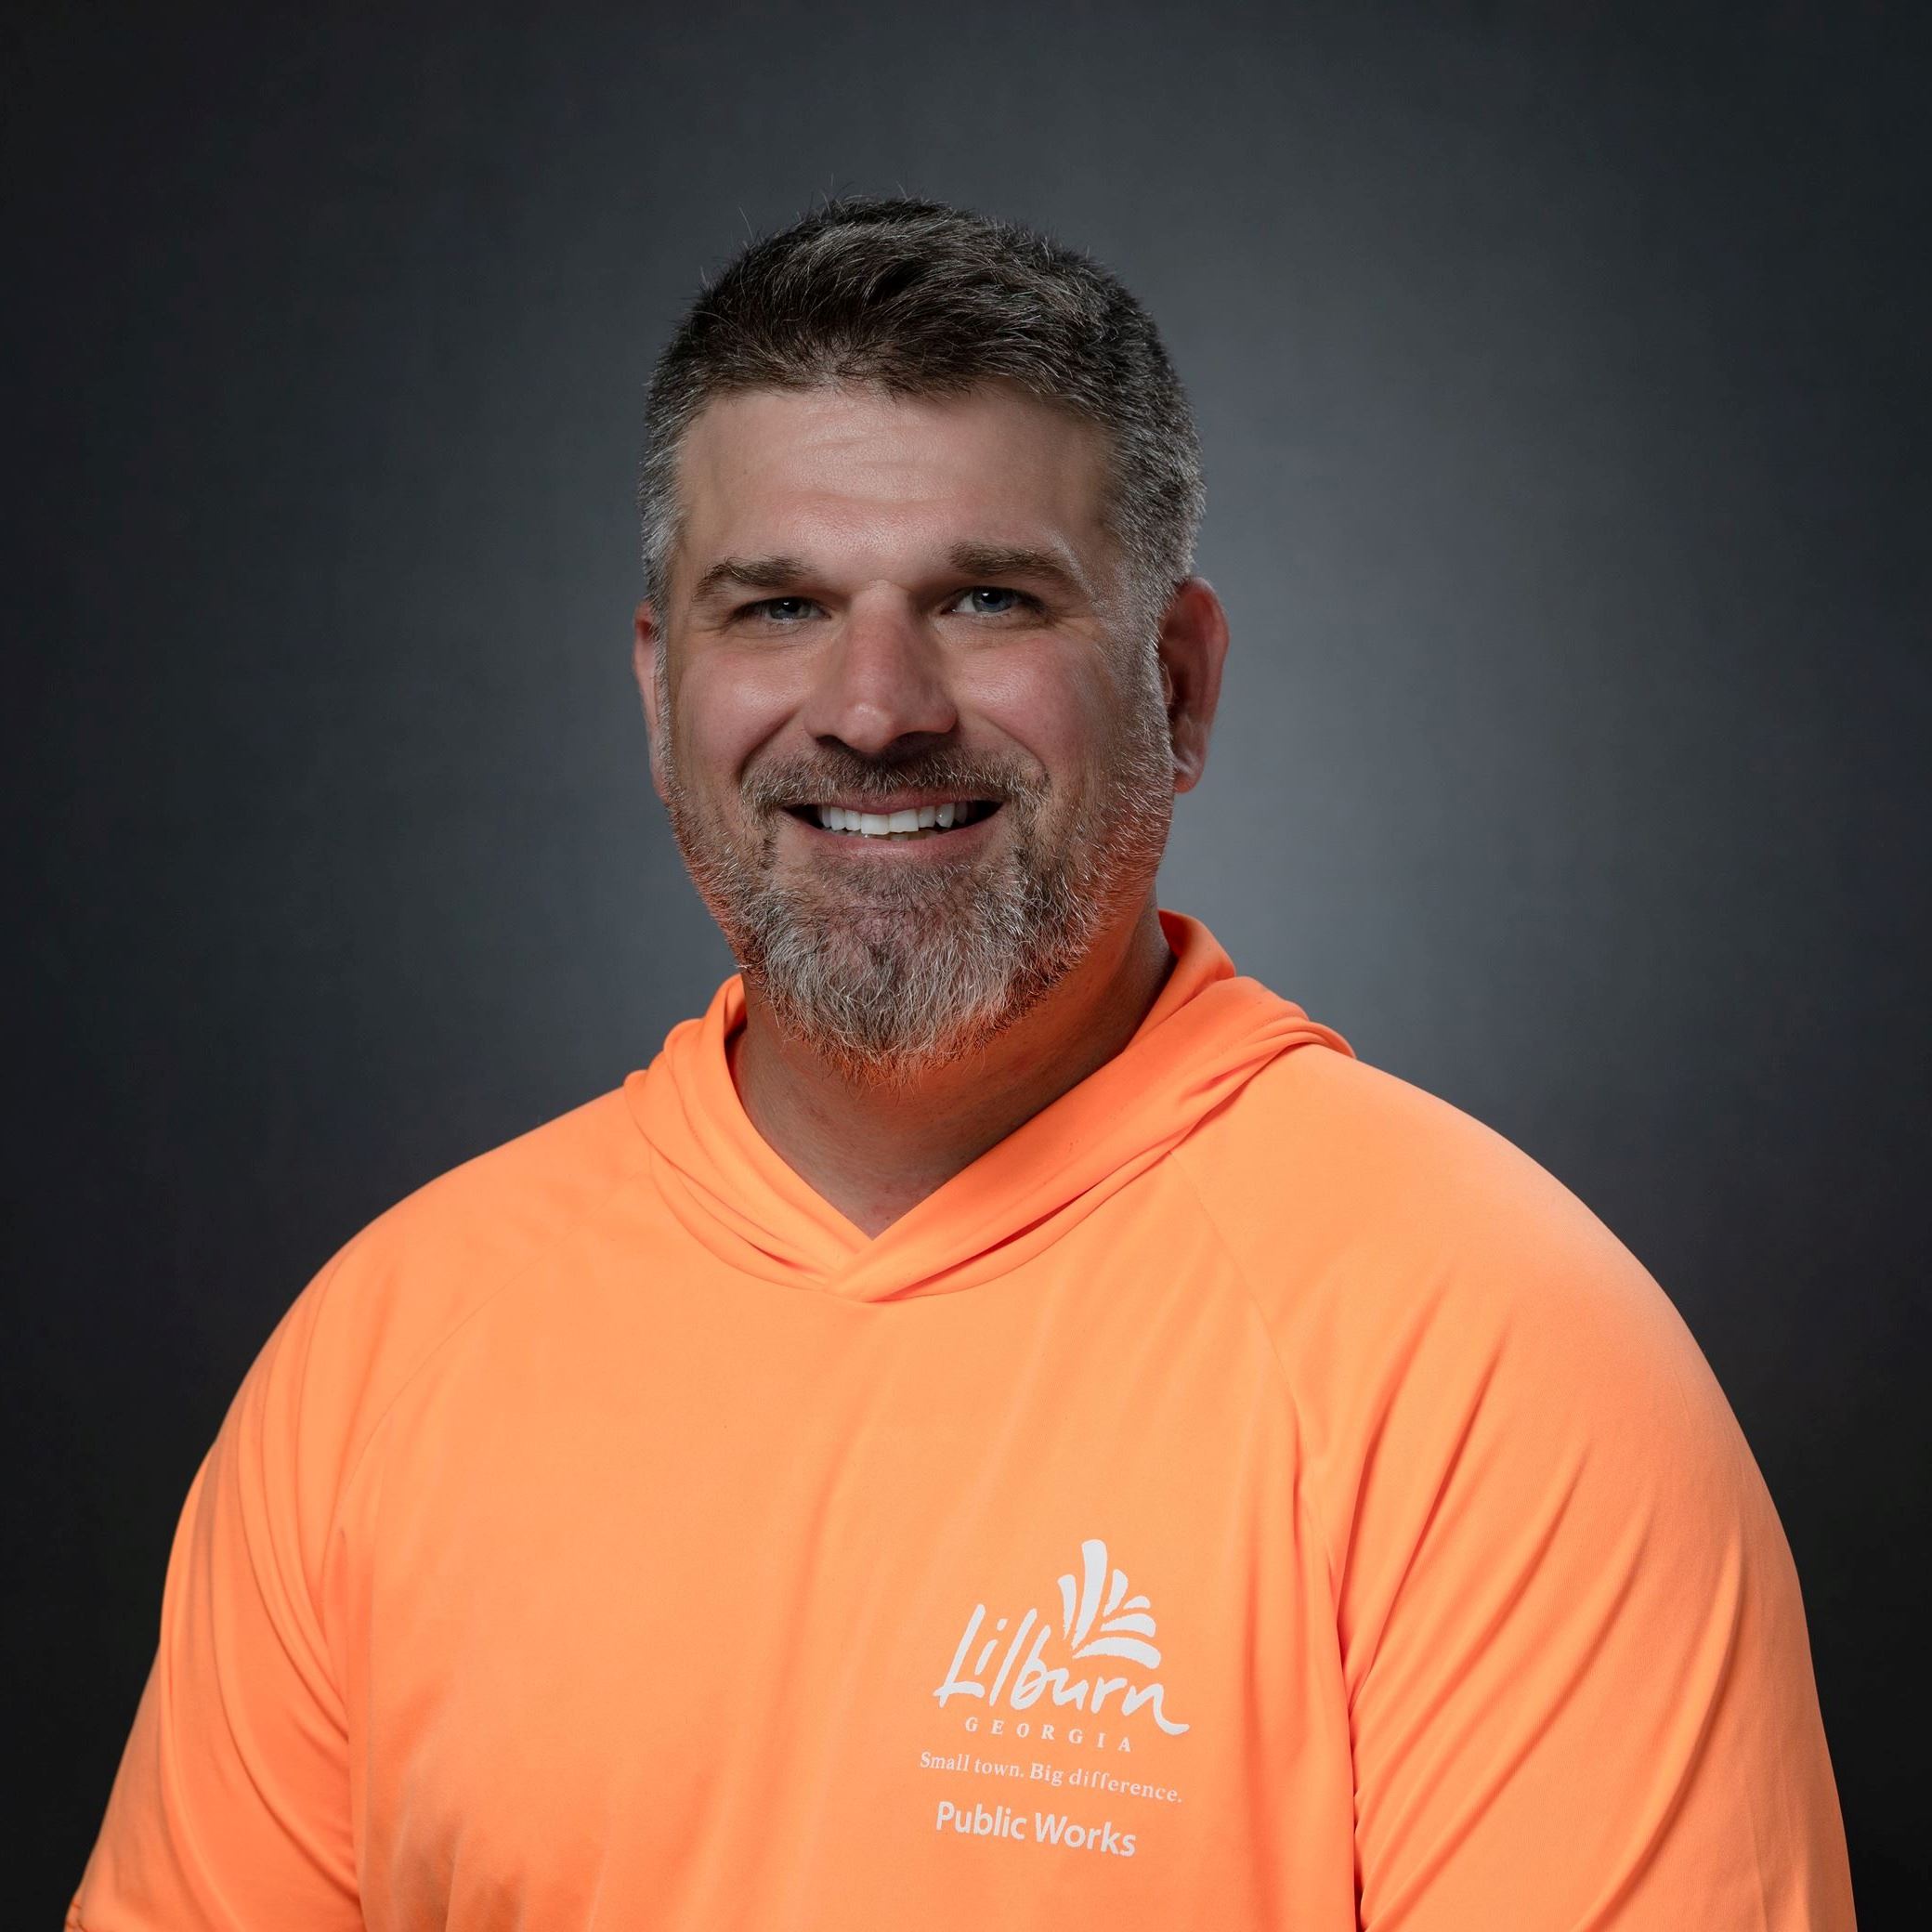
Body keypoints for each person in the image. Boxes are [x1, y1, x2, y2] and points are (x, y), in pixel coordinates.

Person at [69, 195, 1855, 1930]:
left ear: (1182, 680)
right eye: (774, 607)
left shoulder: (1500, 1361)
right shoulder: (381, 1358)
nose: (873, 703)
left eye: (990, 599)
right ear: (655, 687)